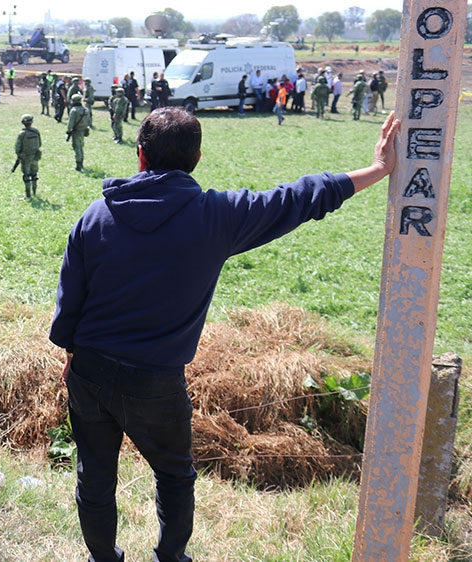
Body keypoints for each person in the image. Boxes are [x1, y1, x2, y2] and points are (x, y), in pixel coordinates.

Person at [49, 107, 401, 562]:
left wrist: (71, 352)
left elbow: (70, 298)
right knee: (174, 476)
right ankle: (171, 557)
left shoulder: (96, 215)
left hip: (90, 369)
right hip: (156, 381)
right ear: (196, 159)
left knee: (94, 475)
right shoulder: (217, 217)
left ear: (139, 156)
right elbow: (295, 198)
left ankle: (102, 558)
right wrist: (377, 169)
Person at [14, 114, 42, 199]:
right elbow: (40, 143)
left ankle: (28, 194)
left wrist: (19, 154)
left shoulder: (22, 134)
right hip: (35, 156)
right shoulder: (36, 131)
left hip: (25, 157)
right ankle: (35, 192)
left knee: (26, 176)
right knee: (34, 174)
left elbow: (17, 147)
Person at [66, 94, 89, 171]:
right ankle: (81, 163)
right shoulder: (86, 110)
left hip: (76, 131)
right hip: (83, 130)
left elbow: (70, 123)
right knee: (81, 147)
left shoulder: (74, 110)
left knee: (77, 148)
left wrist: (69, 130)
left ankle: (78, 165)